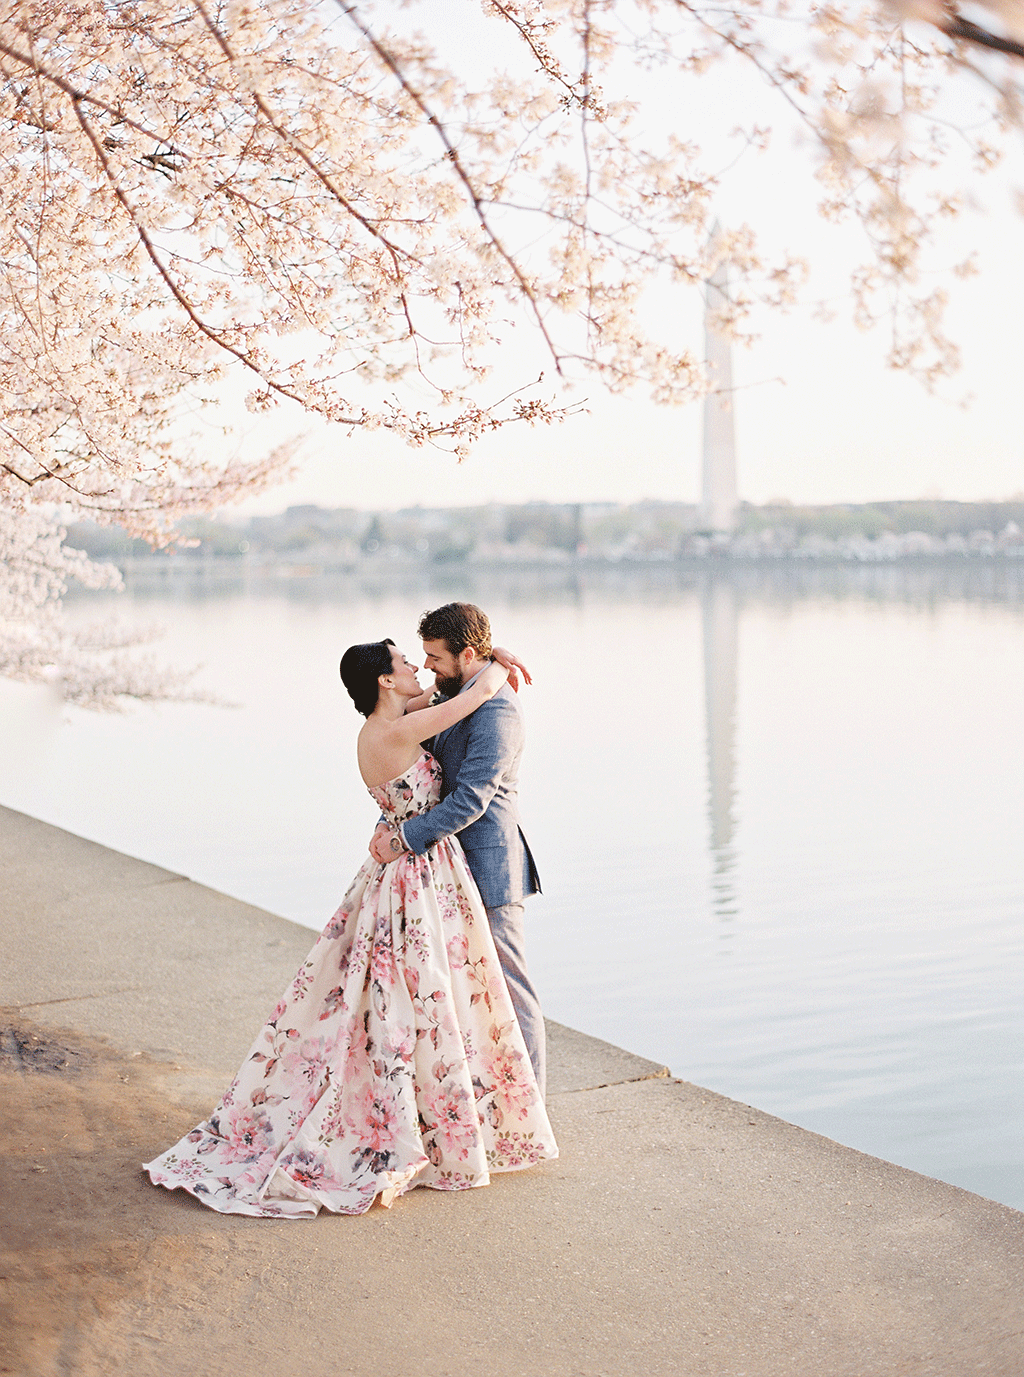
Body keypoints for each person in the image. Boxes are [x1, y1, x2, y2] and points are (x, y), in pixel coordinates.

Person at [143, 638, 557, 1218]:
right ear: (386, 681)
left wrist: (483, 652)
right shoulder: (394, 732)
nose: (417, 667)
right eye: (406, 663)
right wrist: (494, 661)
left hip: (413, 870)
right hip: (417, 871)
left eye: (426, 658)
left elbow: (445, 693)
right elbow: (477, 693)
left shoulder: (392, 721)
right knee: (423, 995)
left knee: (420, 994)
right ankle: (448, 1117)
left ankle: (453, 1112)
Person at [369, 602, 547, 1098]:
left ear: (467, 654)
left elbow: (471, 798)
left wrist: (404, 838)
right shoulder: (453, 695)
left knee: (511, 991)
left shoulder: (497, 711)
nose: (427, 667)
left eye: (435, 658)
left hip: (489, 867)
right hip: (445, 873)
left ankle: (532, 1106)